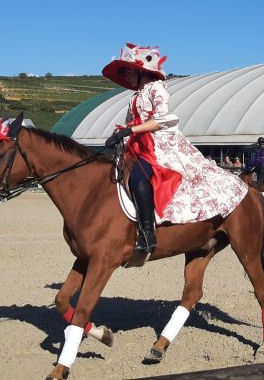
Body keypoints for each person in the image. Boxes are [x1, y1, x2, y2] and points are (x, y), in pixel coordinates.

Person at [102, 43, 249, 255]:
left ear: (141, 70)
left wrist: (131, 130)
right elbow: (131, 122)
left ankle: (147, 233)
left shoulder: (157, 88)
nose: (128, 75)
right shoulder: (135, 96)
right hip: (135, 142)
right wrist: (120, 134)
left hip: (156, 142)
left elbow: (162, 119)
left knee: (138, 177)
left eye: (130, 71)